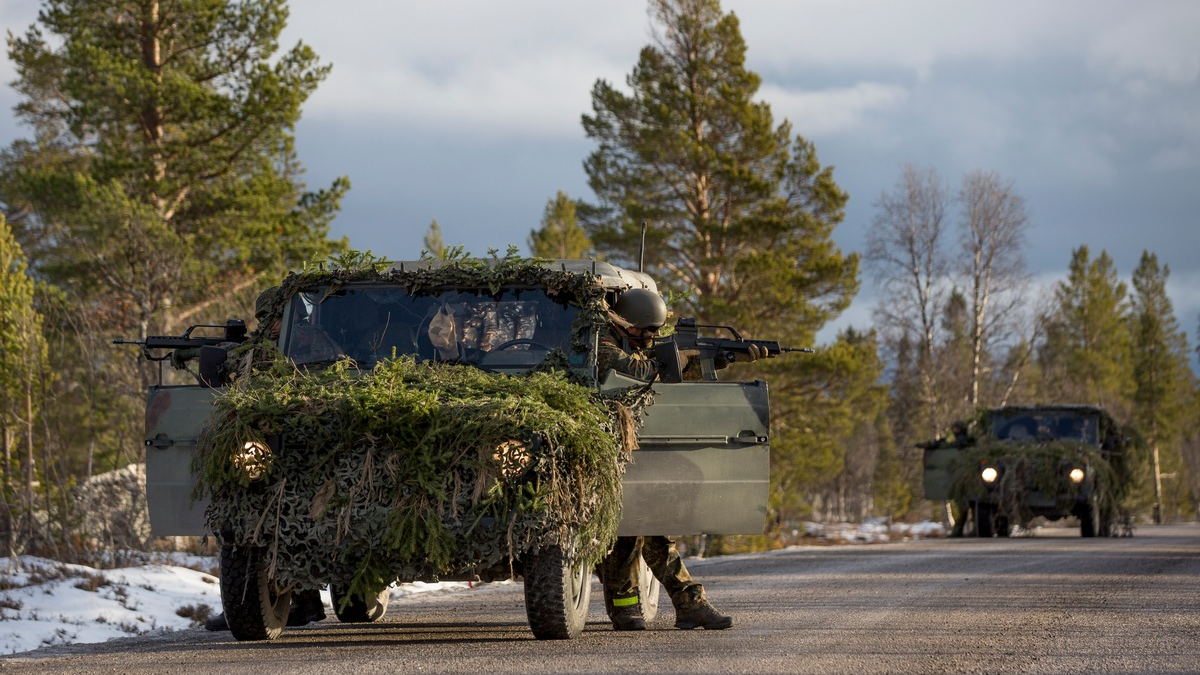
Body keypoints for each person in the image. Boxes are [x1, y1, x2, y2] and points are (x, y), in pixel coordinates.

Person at [596, 287, 761, 631]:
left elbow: (672, 372)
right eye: (646, 331)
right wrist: (677, 358)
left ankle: (687, 604)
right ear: (627, 324)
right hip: (606, 446)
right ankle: (635, 608)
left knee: (649, 526)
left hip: (637, 446)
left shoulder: (635, 343)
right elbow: (638, 370)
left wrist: (722, 358)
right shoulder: (602, 344)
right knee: (628, 528)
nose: (651, 337)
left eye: (655, 331)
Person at [204, 286, 326, 632]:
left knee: (278, 513)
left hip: (304, 442)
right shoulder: (268, 345)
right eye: (265, 318)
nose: (269, 324)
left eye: (273, 316)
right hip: (278, 443)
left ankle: (290, 600)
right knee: (248, 514)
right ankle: (250, 603)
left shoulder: (308, 341)